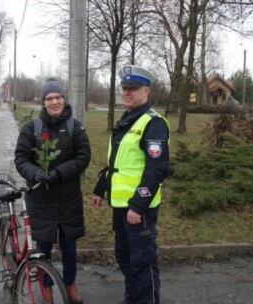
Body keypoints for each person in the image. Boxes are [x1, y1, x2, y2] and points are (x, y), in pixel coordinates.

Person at [90, 65, 170, 304]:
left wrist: (138, 204)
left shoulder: (153, 123)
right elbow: (118, 163)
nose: (127, 92)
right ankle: (132, 299)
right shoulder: (127, 120)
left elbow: (157, 169)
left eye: (132, 88)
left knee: (142, 262)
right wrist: (101, 189)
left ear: (146, 90)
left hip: (139, 210)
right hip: (121, 205)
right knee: (125, 258)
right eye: (124, 88)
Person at [14, 78, 91, 304]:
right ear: (43, 102)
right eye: (49, 98)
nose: (54, 102)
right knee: (43, 247)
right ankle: (46, 286)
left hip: (68, 199)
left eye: (58, 97)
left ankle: (69, 282)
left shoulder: (75, 127)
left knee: (69, 246)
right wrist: (33, 172)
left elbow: (83, 157)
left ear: (64, 100)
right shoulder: (32, 128)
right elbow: (21, 158)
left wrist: (59, 172)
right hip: (41, 200)